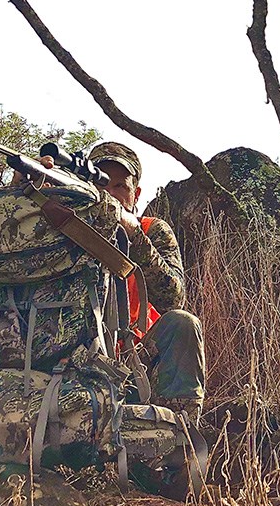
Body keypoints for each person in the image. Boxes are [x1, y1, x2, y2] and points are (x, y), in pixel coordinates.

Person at [86, 142, 206, 423]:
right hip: (75, 357)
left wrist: (135, 237)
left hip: (134, 361)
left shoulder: (152, 230)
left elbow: (173, 298)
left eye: (119, 187)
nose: (109, 196)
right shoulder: (64, 227)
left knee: (182, 322)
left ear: (135, 194)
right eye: (101, 184)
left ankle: (181, 438)